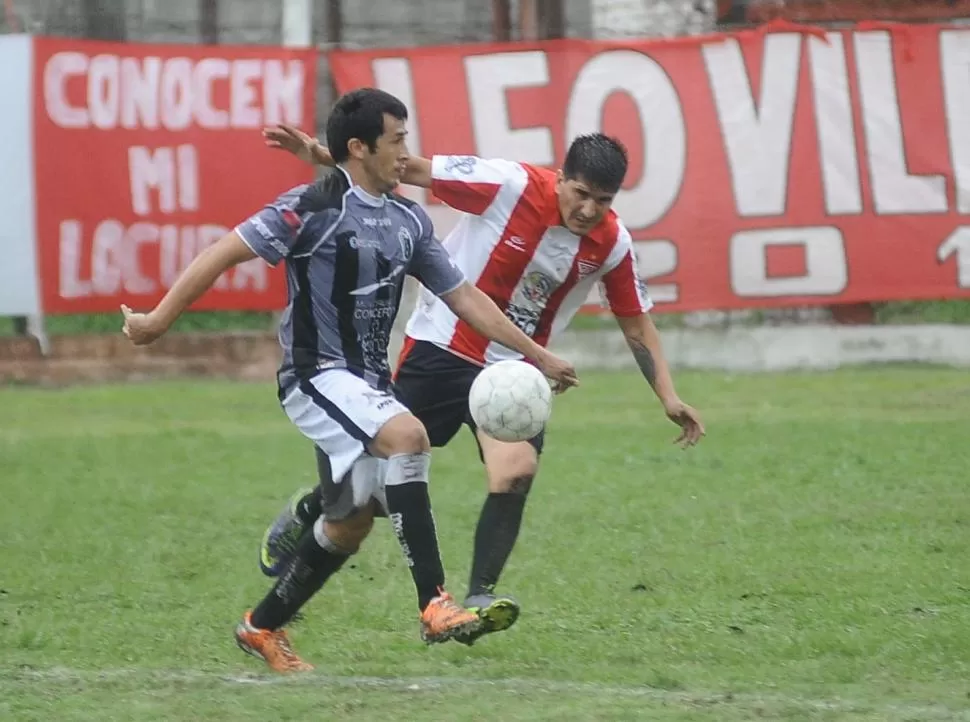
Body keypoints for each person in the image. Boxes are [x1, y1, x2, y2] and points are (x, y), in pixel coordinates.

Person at [119, 87, 579, 672]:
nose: (406, 153)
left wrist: (535, 353)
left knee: (349, 523)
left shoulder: (410, 218)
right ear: (360, 149)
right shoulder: (310, 207)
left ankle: (261, 627)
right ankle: (435, 604)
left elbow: (466, 298)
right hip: (315, 376)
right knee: (409, 437)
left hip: (368, 383)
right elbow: (222, 252)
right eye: (397, 141)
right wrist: (158, 320)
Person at [258, 123, 705, 646]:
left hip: (514, 375)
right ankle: (312, 508)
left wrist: (668, 396)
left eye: (602, 202)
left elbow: (636, 323)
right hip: (444, 349)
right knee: (371, 496)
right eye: (581, 194)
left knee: (515, 471)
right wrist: (321, 153)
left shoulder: (612, 243)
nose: (588, 210)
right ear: (562, 178)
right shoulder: (507, 184)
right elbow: (411, 169)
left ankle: (476, 599)